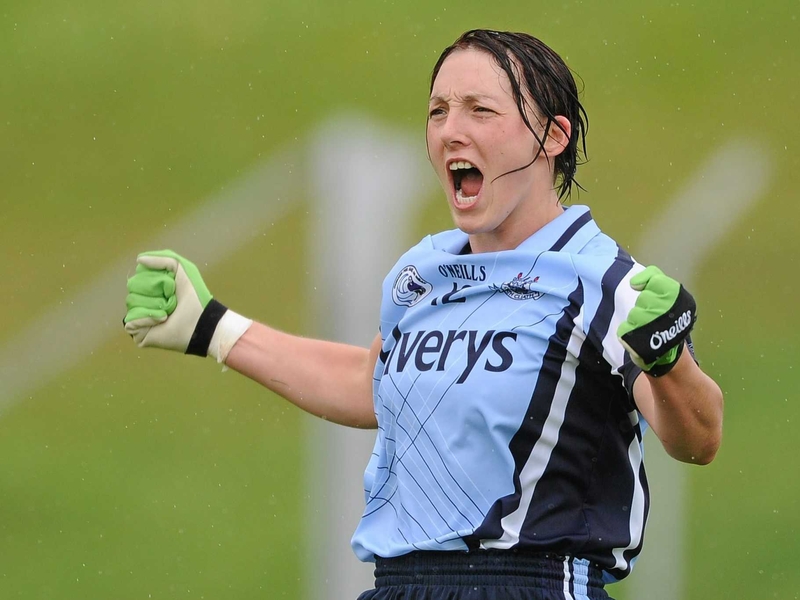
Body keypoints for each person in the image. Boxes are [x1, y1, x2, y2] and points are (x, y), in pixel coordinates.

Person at [124, 29, 723, 600]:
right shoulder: (422, 272)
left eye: (480, 110)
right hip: (399, 585)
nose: (450, 131)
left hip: (530, 583)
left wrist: (669, 363)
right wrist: (213, 327)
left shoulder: (605, 281)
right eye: (438, 111)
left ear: (552, 137)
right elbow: (370, 384)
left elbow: (699, 438)